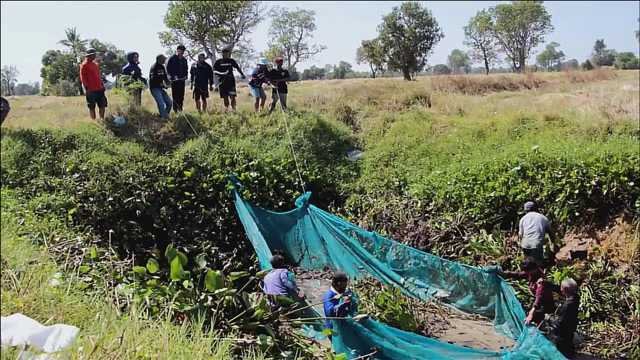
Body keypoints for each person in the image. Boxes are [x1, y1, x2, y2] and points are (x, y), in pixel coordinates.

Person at [497, 257, 558, 325]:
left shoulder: (541, 282)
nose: (526, 272)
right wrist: (504, 273)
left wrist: (531, 313)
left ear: (533, 269)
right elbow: (518, 274)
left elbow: (538, 298)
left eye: (527, 271)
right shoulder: (531, 274)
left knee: (528, 320)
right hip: (538, 304)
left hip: (544, 307)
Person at [546, 278, 580, 357]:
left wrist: (549, 318)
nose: (560, 290)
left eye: (561, 288)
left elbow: (559, 323)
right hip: (570, 329)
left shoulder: (567, 305)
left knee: (562, 352)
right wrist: (547, 284)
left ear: (565, 289)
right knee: (569, 346)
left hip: (562, 334)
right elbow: (559, 289)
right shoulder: (576, 297)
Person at [213, 45, 246, 112]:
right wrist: (222, 73)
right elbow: (214, 71)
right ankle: (227, 110)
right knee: (225, 97)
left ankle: (234, 110)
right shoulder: (218, 62)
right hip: (222, 82)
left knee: (232, 96)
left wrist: (242, 74)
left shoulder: (231, 61)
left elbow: (237, 67)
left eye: (227, 53)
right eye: (224, 53)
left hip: (231, 82)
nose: (226, 54)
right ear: (222, 53)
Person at [79, 48, 107, 121]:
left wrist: (102, 85)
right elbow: (82, 77)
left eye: (95, 54)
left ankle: (102, 120)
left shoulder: (95, 64)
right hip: (91, 90)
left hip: (100, 89)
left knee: (102, 105)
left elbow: (98, 76)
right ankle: (94, 121)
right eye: (93, 55)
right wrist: (87, 88)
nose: (95, 56)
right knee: (92, 107)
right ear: (88, 56)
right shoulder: (84, 65)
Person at [148, 54, 173, 119]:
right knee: (161, 103)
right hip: (154, 88)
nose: (165, 60)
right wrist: (163, 85)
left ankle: (164, 115)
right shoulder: (154, 67)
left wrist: (169, 82)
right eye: (164, 59)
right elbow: (153, 79)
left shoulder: (162, 67)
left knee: (169, 103)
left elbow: (165, 77)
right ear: (159, 59)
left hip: (161, 88)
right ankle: (164, 118)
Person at [166, 45, 188, 113]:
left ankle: (180, 109)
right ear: (177, 50)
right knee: (175, 96)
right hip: (175, 81)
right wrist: (172, 76)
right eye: (180, 50)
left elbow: (186, 69)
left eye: (183, 51)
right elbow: (168, 69)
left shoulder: (184, 60)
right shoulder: (172, 58)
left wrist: (186, 75)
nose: (182, 52)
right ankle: (175, 110)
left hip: (182, 80)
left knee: (181, 96)